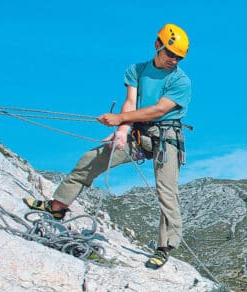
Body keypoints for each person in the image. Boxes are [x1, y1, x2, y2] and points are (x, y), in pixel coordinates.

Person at [24, 23, 192, 270]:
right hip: (138, 133)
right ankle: (58, 206)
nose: (173, 60)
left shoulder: (181, 81)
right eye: (170, 53)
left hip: (166, 140)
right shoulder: (137, 70)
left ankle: (164, 247)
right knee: (91, 159)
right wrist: (122, 132)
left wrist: (119, 120)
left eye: (178, 57)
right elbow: (130, 102)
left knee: (167, 191)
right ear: (158, 45)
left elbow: (158, 110)